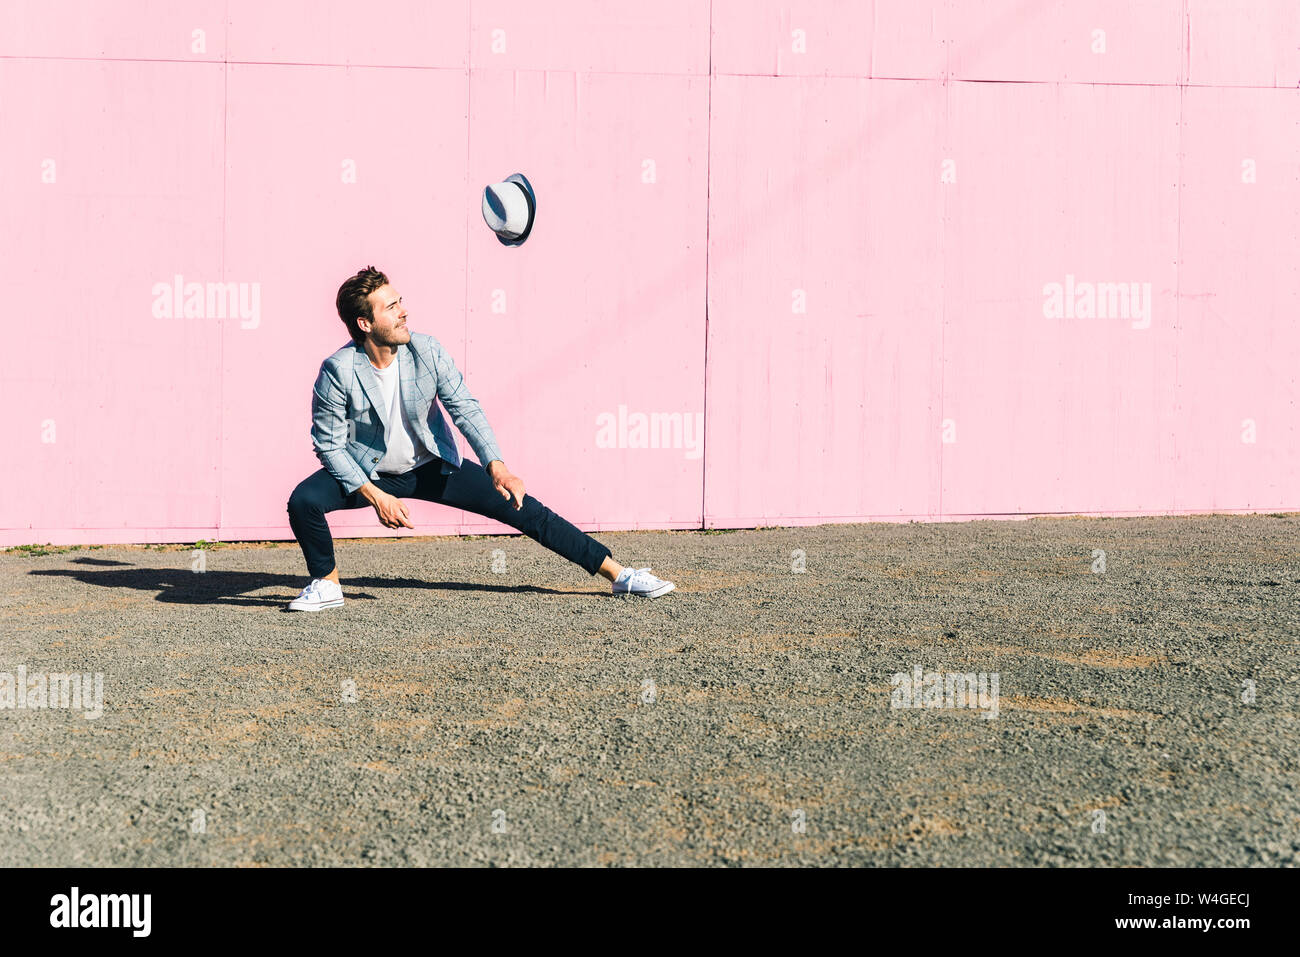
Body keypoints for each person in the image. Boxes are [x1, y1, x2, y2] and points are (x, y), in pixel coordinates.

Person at [285, 266, 674, 611]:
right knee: (304, 501)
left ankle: (619, 575)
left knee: (525, 508)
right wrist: (374, 494)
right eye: (391, 307)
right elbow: (329, 444)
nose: (403, 311)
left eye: (400, 301)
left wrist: (497, 466)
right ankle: (327, 584)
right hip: (369, 472)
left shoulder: (427, 350)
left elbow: (464, 408)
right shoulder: (338, 369)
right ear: (365, 323)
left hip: (431, 466)